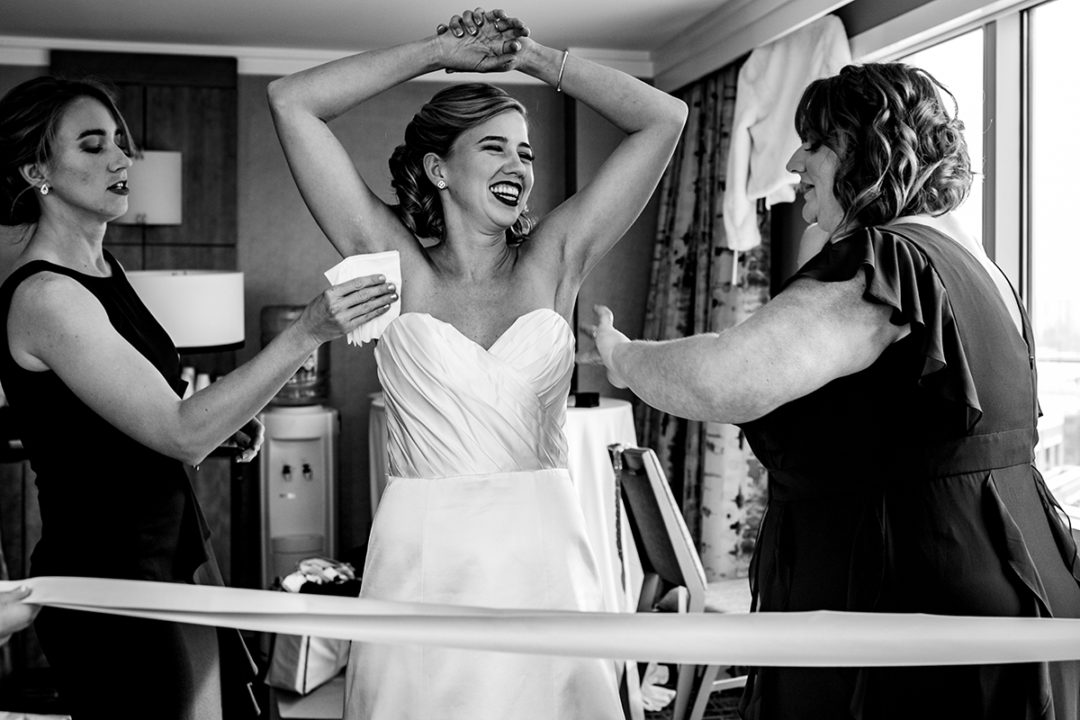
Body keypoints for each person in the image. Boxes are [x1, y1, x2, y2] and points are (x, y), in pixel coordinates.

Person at [582, 62, 1080, 720]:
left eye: (815, 142)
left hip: (912, 597)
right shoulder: (978, 266)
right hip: (1010, 575)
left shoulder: (889, 262)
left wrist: (623, 357)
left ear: (873, 148)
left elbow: (724, 380)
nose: (793, 159)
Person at [267, 7, 686, 719]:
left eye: (525, 153)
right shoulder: (394, 262)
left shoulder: (557, 258)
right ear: (438, 168)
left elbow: (665, 119)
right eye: (494, 148)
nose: (519, 168)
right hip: (424, 564)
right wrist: (439, 52)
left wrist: (535, 59)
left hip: (545, 560)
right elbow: (292, 102)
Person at [0, 75, 397, 720]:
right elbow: (179, 430)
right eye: (93, 146)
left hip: (171, 561)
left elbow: (144, 419)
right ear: (35, 169)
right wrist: (308, 332)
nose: (121, 160)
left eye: (121, 144)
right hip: (111, 585)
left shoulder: (105, 272)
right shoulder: (47, 296)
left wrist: (230, 423)